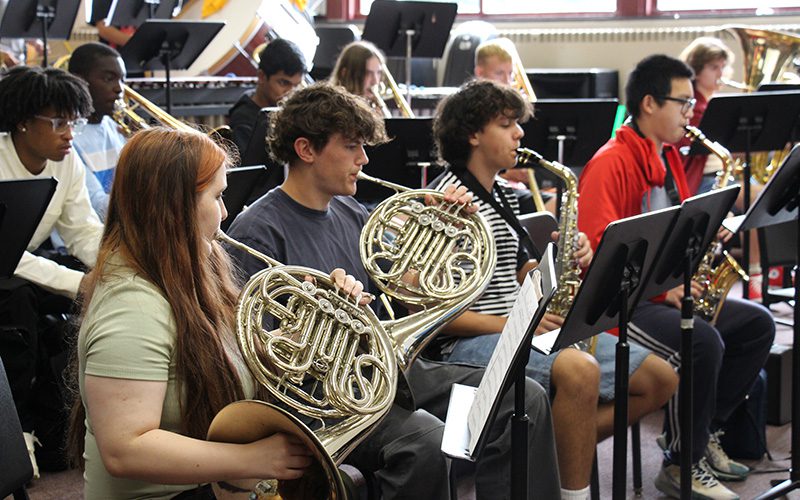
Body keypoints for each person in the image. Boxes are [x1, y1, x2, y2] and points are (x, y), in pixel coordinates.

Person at [225, 82, 562, 500]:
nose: (363, 160)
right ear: (306, 150)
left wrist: (443, 235)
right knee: (425, 442)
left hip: (389, 368)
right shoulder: (258, 231)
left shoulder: (350, 211)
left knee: (521, 397)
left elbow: (401, 296)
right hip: (330, 396)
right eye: (351, 147)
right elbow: (259, 349)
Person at [427, 79, 678, 500]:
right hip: (463, 342)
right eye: (506, 124)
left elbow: (520, 270)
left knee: (660, 379)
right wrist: (514, 323)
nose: (519, 133)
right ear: (473, 134)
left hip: (518, 327)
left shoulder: (507, 194)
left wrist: (564, 257)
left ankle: (547, 455)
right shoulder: (446, 201)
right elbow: (436, 315)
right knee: (580, 372)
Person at [72, 127, 329, 500]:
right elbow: (125, 449)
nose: (225, 212)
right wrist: (252, 459)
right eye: (218, 196)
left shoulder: (188, 271)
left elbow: (225, 362)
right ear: (175, 208)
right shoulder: (132, 308)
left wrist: (306, 331)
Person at [577, 54, 775, 499]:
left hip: (657, 296)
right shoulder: (611, 162)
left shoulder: (665, 158)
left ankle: (701, 435)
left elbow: (673, 236)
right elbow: (598, 259)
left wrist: (704, 243)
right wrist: (663, 289)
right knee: (702, 340)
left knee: (756, 325)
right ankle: (680, 463)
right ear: (649, 103)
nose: (691, 114)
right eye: (683, 103)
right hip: (620, 308)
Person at [0, 65, 101, 476]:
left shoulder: (66, 161)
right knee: (19, 303)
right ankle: (18, 431)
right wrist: (80, 282)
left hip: (25, 266)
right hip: (7, 271)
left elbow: (83, 230)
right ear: (23, 123)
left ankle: (62, 428)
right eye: (58, 122)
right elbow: (6, 252)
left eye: (73, 121)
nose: (70, 134)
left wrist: (117, 268)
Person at [677, 37, 769, 299]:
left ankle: (757, 274)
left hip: (721, 174)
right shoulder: (693, 105)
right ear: (697, 69)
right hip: (702, 180)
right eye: (714, 68)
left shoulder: (713, 102)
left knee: (764, 197)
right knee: (760, 200)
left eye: (722, 67)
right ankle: (755, 279)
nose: (720, 74)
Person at [472, 37, 552, 215]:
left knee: (555, 204)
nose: (508, 81)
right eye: (500, 73)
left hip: (507, 187)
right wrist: (507, 174)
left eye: (510, 74)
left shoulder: (509, 107)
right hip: (489, 186)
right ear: (480, 72)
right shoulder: (470, 109)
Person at [68, 42, 128, 221]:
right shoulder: (67, 137)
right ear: (79, 81)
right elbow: (98, 208)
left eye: (122, 80)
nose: (120, 89)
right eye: (109, 79)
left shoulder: (115, 128)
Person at [228, 38, 307, 156]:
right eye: (284, 83)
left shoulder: (288, 110)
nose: (291, 93)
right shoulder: (243, 120)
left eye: (296, 85)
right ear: (261, 76)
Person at [329, 40, 387, 116]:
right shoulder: (333, 110)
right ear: (345, 73)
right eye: (368, 73)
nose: (375, 81)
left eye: (378, 72)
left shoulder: (374, 106)